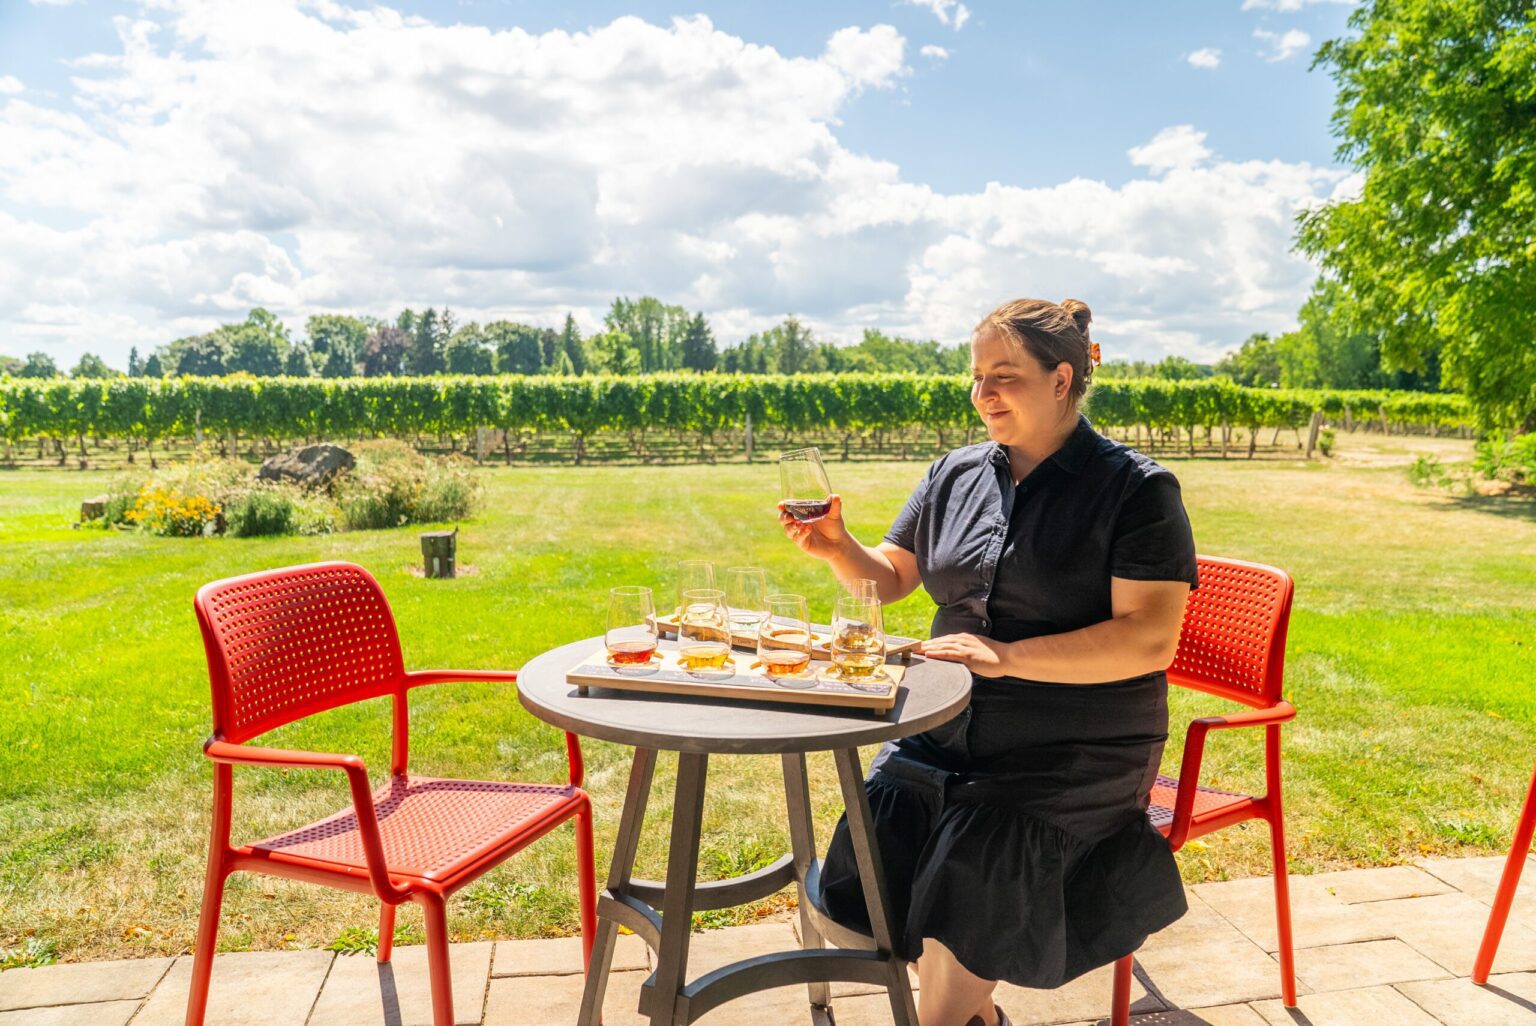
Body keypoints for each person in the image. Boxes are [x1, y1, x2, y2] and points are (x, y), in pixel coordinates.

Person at [778, 298, 1196, 1026]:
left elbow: (1148, 639)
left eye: (1004, 376)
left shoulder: (1136, 490)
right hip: (944, 731)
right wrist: (841, 549)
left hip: (1074, 749)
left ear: (1061, 379)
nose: (983, 394)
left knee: (978, 862)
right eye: (977, 377)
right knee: (878, 851)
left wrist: (1007, 656)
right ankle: (976, 1017)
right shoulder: (954, 473)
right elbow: (893, 577)